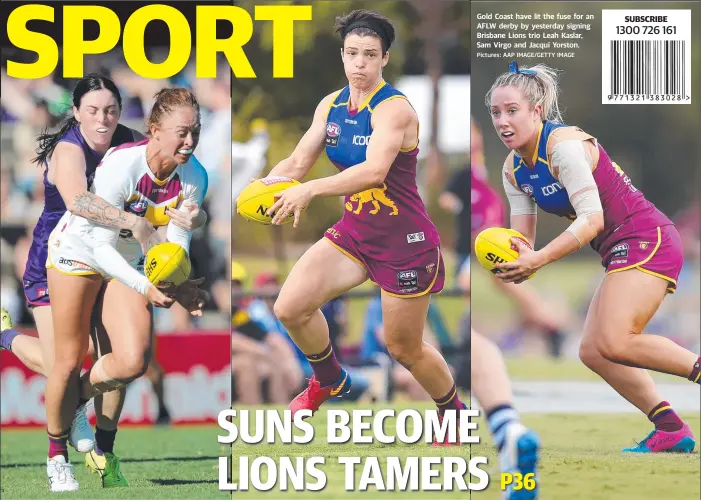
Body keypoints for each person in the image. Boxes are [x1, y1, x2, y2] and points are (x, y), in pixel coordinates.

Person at [257, 9, 466, 435]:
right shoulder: (330, 105)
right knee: (290, 307)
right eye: (352, 53)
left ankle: (453, 413)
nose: (359, 64)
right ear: (342, 55)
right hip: (355, 235)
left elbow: (373, 171)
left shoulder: (395, 110)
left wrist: (310, 190)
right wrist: (264, 187)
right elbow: (297, 162)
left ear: (385, 59)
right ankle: (331, 380)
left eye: (369, 55)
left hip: (404, 243)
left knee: (403, 348)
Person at [487, 60, 699, 454]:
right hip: (618, 248)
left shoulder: (564, 147)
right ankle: (670, 428)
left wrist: (541, 259)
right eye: (496, 112)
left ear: (537, 111)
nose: (503, 121)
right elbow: (523, 241)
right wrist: (515, 260)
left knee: (617, 340)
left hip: (646, 237)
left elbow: (592, 219)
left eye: (512, 110)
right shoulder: (514, 169)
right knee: (592, 350)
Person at [42, 87, 208, 492]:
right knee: (66, 361)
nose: (189, 142)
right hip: (79, 253)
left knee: (133, 361)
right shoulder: (123, 164)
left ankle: (78, 406)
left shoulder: (195, 176)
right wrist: (143, 285)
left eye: (195, 132)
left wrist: (174, 280)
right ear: (154, 130)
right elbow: (99, 244)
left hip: (128, 262)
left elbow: (176, 242)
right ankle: (57, 457)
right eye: (181, 132)